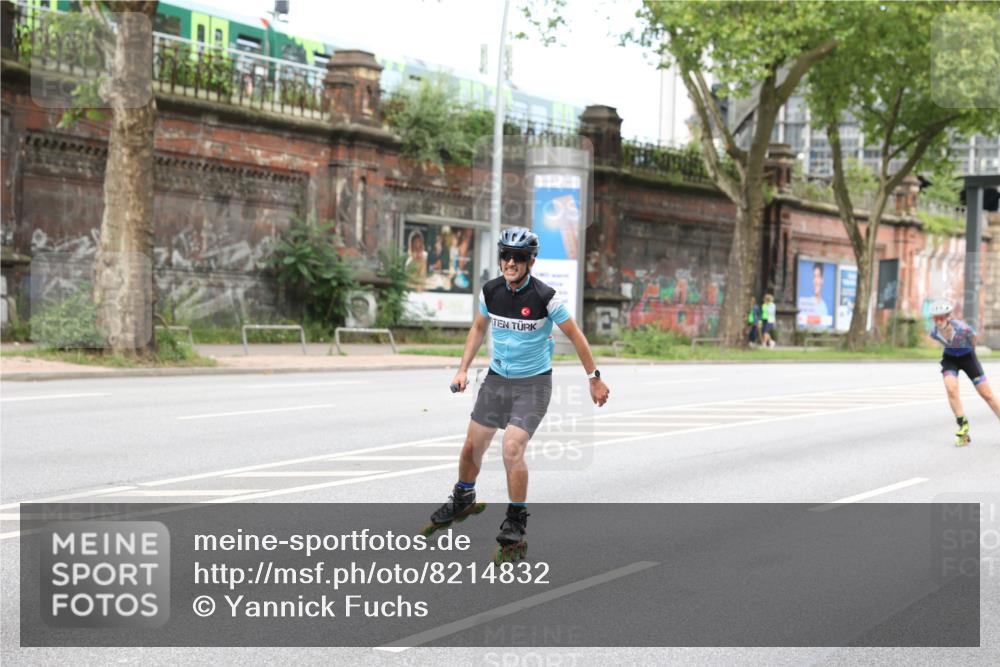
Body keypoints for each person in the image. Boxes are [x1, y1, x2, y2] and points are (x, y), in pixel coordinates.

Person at [425, 226, 611, 562]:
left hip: (533, 384)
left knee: (511, 448)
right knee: (472, 445)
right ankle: (463, 496)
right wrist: (463, 368)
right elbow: (479, 327)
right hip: (497, 380)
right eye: (506, 256)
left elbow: (577, 336)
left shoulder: (545, 297)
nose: (510, 262)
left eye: (519, 257)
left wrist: (594, 377)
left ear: (531, 261)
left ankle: (516, 521)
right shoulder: (491, 291)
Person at [928, 299, 1000, 446]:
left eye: (941, 317)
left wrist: (968, 351)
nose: (938, 321)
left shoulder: (962, 328)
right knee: (951, 389)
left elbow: (973, 340)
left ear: (948, 317)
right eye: (935, 318)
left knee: (987, 395)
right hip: (950, 359)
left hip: (968, 358)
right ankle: (963, 428)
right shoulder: (934, 332)